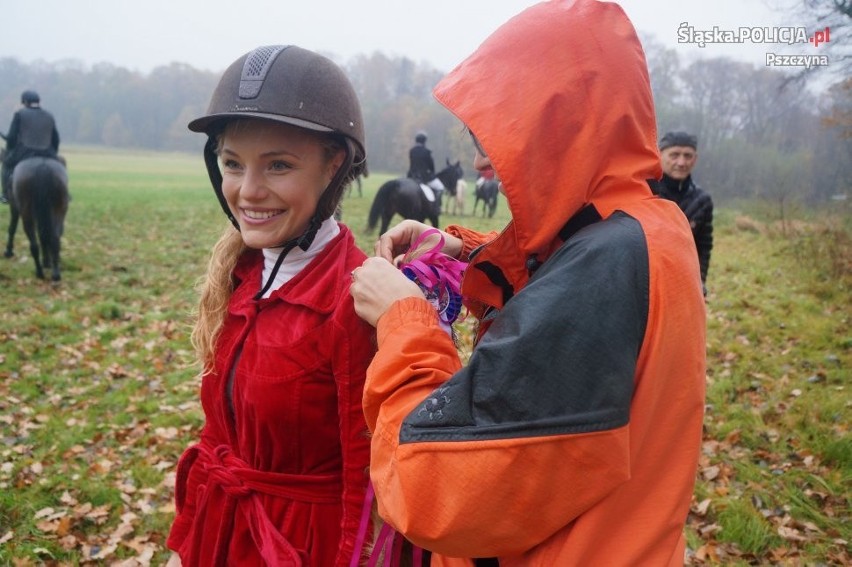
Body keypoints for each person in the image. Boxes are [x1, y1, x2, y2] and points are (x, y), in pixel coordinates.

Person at [349, 1, 707, 565]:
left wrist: (404, 321)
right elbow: (563, 269)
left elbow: (433, 489)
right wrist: (464, 250)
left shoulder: (605, 270)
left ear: (554, 131)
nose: (486, 157)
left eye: (498, 138)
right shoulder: (648, 226)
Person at [165, 45, 376, 566]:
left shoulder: (354, 302)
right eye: (233, 164)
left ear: (333, 166)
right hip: (221, 532)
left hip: (303, 547)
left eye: (278, 165)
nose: (249, 191)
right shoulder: (243, 276)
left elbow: (368, 486)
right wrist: (186, 543)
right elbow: (219, 435)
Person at [653, 131, 714, 294]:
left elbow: (703, 245)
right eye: (674, 155)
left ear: (695, 159)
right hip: (649, 282)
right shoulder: (646, 192)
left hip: (684, 284)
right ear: (659, 154)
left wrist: (700, 280)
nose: (681, 162)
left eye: (688, 156)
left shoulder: (702, 200)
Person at [2, 90, 60, 204]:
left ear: (25, 102)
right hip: (48, 153)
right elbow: (56, 140)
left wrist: (5, 140)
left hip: (25, 153)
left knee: (7, 165)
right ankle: (65, 194)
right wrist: (53, 154)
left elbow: (12, 138)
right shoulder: (49, 115)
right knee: (60, 167)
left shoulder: (19, 114)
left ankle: (5, 195)